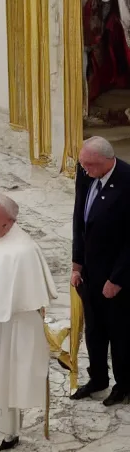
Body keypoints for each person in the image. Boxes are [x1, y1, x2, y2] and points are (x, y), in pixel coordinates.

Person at [0, 195, 57, 451]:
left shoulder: (25, 250)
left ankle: (12, 430)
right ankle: (2, 422)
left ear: (9, 221)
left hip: (15, 327)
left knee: (12, 378)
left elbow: (31, 298)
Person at [71, 135, 130, 406]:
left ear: (108, 161)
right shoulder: (85, 173)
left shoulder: (128, 181)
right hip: (90, 273)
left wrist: (117, 279)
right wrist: (76, 264)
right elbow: (79, 221)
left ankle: (125, 384)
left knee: (119, 332)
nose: (85, 170)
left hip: (115, 276)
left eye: (90, 165)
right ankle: (98, 378)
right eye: (83, 164)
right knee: (94, 330)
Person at [83, 0, 130, 103]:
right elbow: (92, 2)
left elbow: (122, 7)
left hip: (109, 22)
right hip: (98, 23)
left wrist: (126, 22)